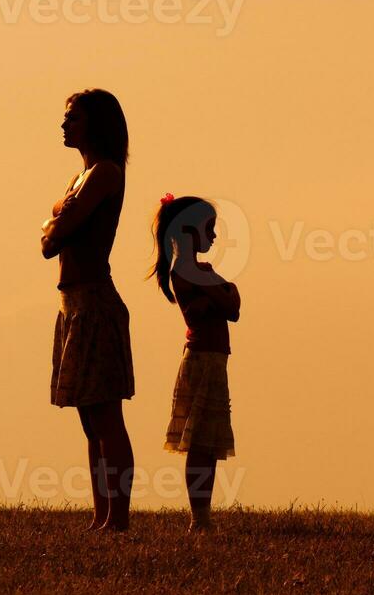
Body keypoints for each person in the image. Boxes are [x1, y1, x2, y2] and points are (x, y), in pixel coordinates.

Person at [41, 89, 135, 533]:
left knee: (105, 416)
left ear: (95, 124)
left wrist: (57, 218)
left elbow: (57, 232)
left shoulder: (105, 174)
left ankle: (117, 518)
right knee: (87, 420)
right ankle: (101, 515)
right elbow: (49, 236)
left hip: (95, 300)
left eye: (72, 119)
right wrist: (57, 218)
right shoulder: (78, 179)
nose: (64, 125)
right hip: (72, 301)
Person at [146, 193, 241, 533]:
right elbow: (227, 301)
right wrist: (223, 289)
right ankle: (199, 518)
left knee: (208, 443)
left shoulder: (199, 271)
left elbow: (231, 305)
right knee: (200, 443)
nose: (214, 237)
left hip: (212, 360)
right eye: (209, 229)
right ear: (188, 231)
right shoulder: (187, 271)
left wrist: (223, 291)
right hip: (202, 361)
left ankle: (203, 515)